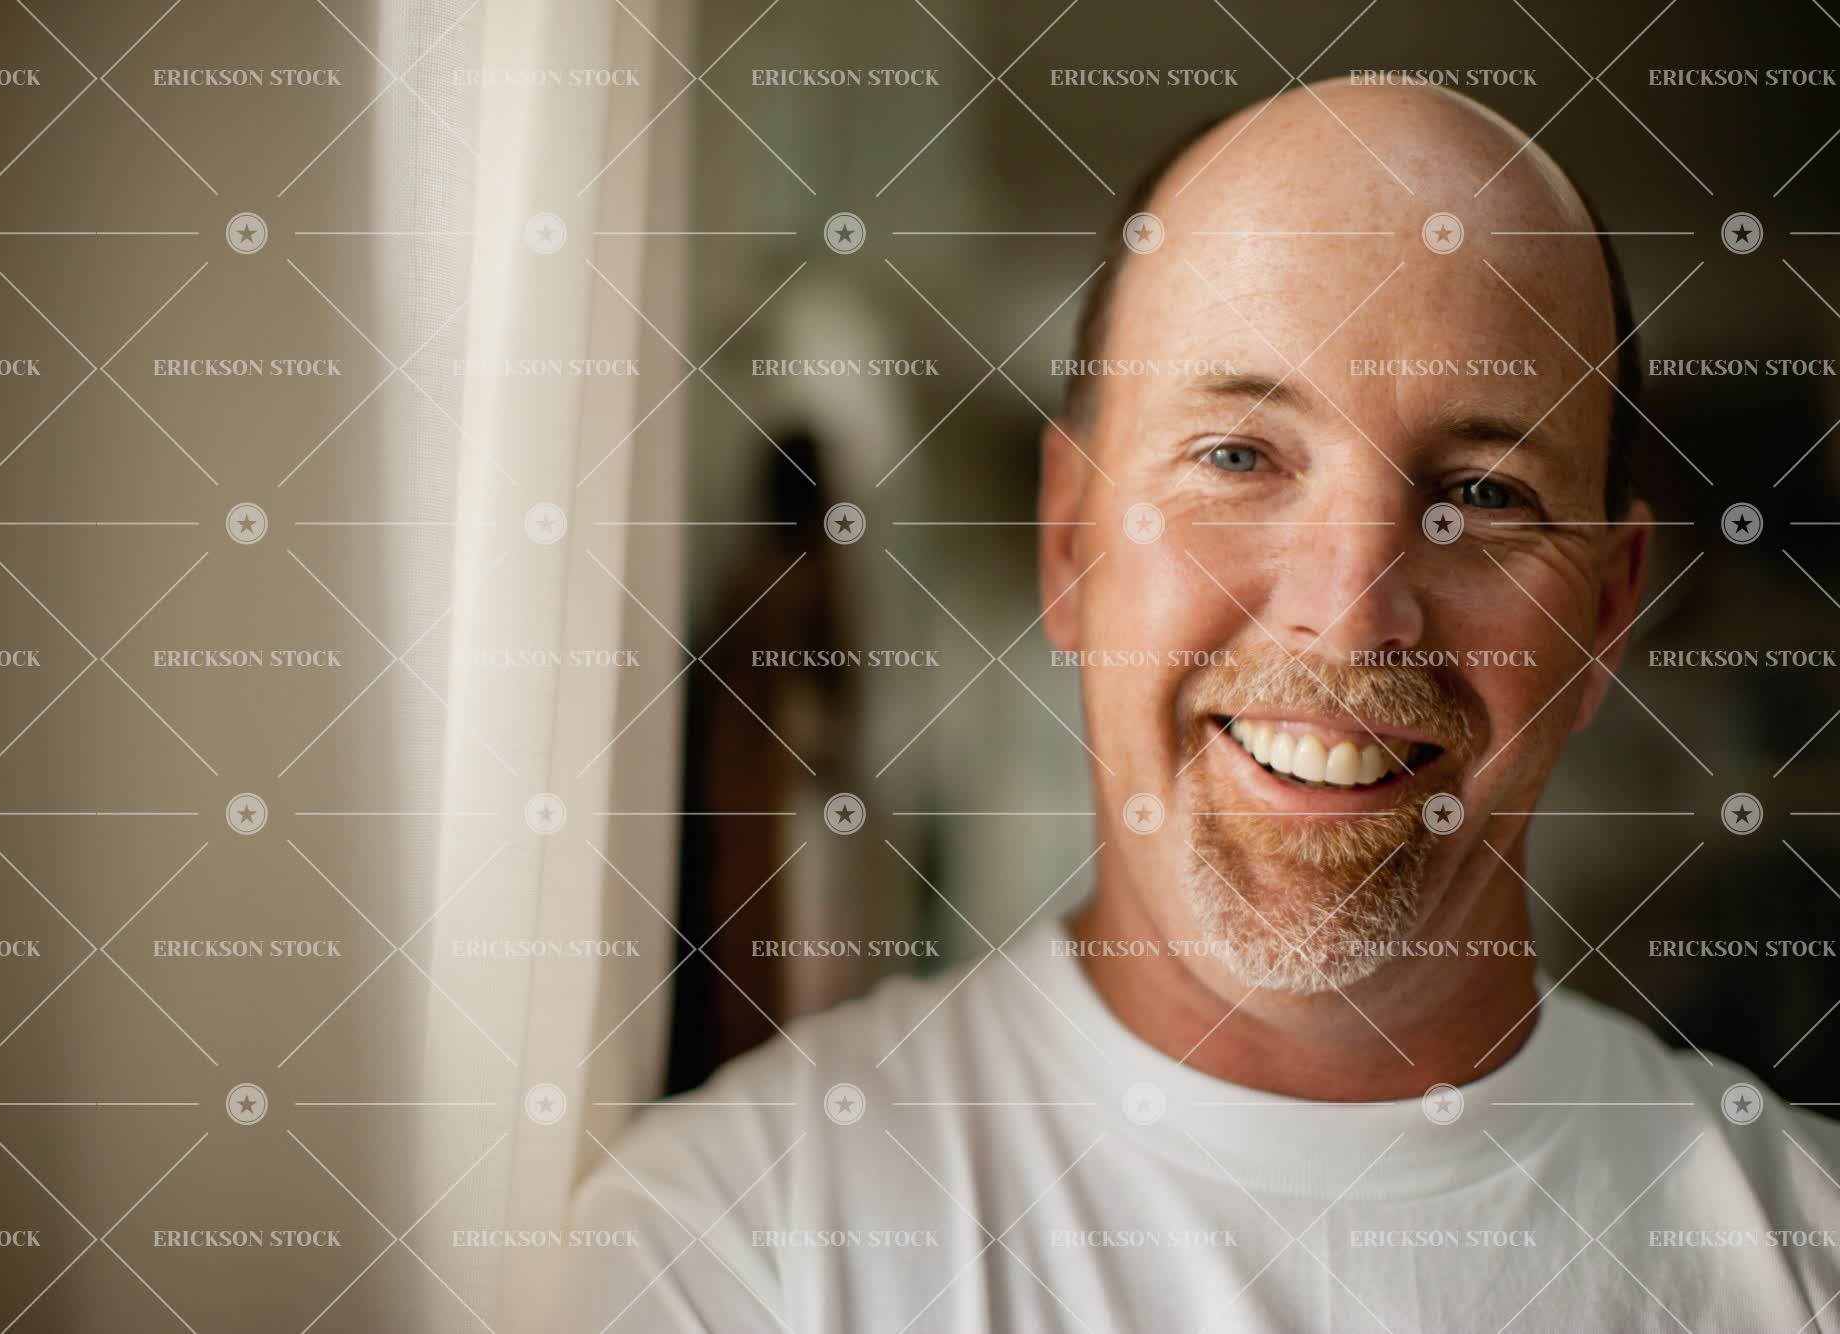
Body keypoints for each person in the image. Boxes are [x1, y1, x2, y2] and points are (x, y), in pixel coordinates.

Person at [558, 79, 1840, 1332]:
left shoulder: (1810, 1251)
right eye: (1236, 457)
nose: (1351, 612)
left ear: (1605, 613)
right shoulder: (735, 1245)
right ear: (1070, 541)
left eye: (1484, 492)